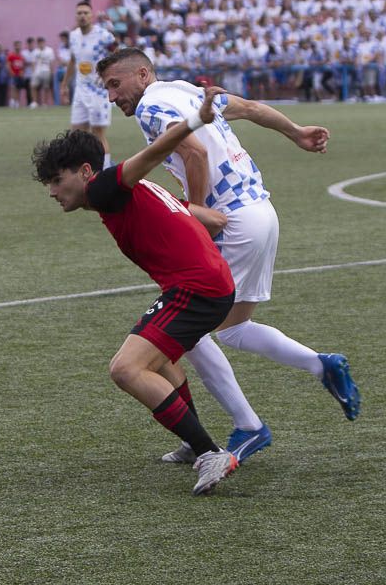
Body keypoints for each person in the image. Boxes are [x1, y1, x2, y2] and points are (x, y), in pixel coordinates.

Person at [97, 47, 360, 465]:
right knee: (233, 330)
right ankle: (322, 366)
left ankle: (249, 427)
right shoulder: (185, 89)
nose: (112, 97)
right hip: (262, 212)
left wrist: (195, 211)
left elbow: (194, 152)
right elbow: (251, 108)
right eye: (106, 89)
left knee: (190, 331)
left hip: (233, 220)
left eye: (115, 84)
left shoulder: (150, 105)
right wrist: (295, 132)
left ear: (142, 74)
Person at [33, 87, 239, 496]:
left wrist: (196, 121)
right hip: (206, 285)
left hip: (196, 289)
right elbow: (206, 217)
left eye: (58, 181)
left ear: (87, 172)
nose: (53, 192)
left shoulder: (106, 187)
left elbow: (153, 154)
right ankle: (192, 441)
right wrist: (200, 223)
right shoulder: (128, 193)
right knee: (157, 360)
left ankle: (208, 451)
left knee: (125, 369)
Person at [62, 1, 117, 165]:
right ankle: (82, 169)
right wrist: (64, 83)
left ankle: (105, 169)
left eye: (86, 13)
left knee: (97, 134)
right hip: (80, 90)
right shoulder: (73, 36)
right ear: (75, 16)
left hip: (99, 92)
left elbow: (118, 54)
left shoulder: (104, 35)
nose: (82, 16)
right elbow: (73, 60)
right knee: (77, 134)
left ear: (91, 16)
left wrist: (108, 75)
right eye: (79, 13)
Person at [30, 36, 56, 107]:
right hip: (37, 71)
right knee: (33, 86)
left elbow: (51, 62)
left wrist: (51, 72)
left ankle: (45, 103)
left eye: (42, 42)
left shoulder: (49, 50)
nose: (41, 44)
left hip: (46, 70)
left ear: (44, 42)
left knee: (46, 87)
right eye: (39, 42)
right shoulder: (35, 51)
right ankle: (34, 102)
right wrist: (33, 72)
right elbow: (33, 62)